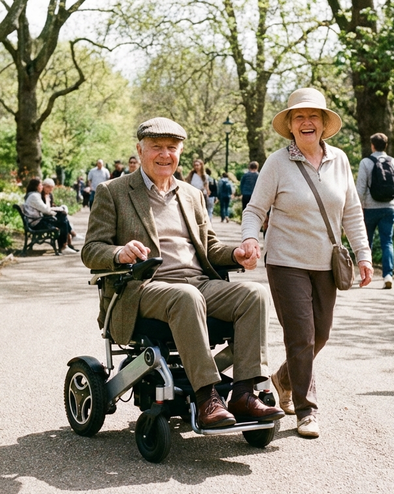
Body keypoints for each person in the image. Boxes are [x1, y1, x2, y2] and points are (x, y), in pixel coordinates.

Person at [81, 117, 284, 428]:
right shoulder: (114, 191)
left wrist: (236, 254)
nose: (165, 155)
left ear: (180, 153)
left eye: (172, 148)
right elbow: (91, 249)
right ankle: (206, 398)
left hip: (199, 284)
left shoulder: (192, 194)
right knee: (186, 296)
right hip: (143, 287)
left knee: (254, 293)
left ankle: (244, 393)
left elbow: (210, 247)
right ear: (140, 149)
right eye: (157, 148)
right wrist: (119, 253)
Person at [239, 88, 373, 438]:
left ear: (325, 123)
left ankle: (284, 379)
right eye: (299, 117)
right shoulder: (277, 163)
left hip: (326, 263)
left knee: (321, 334)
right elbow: (255, 210)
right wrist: (250, 238)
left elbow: (352, 213)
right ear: (291, 125)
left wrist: (364, 254)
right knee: (301, 336)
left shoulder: (339, 160)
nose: (306, 122)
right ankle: (306, 410)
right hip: (285, 262)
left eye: (313, 116)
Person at [355, 132, 394, 289]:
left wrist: (358, 207)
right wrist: (393, 201)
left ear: (372, 145)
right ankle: (388, 275)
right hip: (389, 207)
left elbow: (361, 187)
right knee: (387, 241)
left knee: (366, 241)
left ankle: (364, 274)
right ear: (386, 146)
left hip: (370, 207)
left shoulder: (366, 163)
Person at [23, 178, 77, 254]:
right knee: (62, 218)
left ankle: (65, 245)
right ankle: (64, 246)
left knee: (62, 217)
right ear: (36, 186)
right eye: (41, 184)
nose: (42, 186)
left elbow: (45, 209)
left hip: (36, 220)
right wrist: (56, 212)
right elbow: (46, 210)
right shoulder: (34, 196)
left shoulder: (33, 195)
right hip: (36, 223)